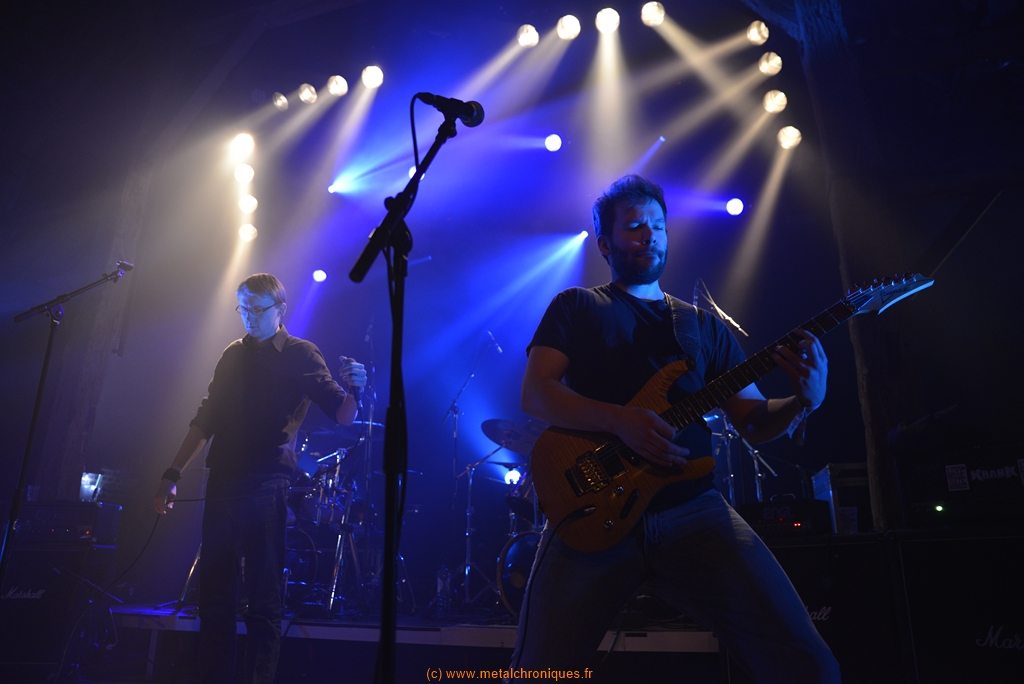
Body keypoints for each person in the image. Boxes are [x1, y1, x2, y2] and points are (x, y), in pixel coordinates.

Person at [510, 175, 840, 682]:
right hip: (591, 510)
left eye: (658, 226)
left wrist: (802, 401)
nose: (650, 235)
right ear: (605, 243)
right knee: (537, 675)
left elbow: (754, 421)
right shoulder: (577, 306)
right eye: (634, 226)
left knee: (809, 665)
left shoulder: (703, 327)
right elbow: (536, 393)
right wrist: (620, 421)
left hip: (694, 511)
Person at [154, 273, 367, 684]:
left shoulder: (302, 354)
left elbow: (342, 415)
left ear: (280, 310)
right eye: (243, 308)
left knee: (263, 600)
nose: (249, 316)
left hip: (268, 483)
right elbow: (205, 418)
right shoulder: (232, 354)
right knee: (215, 599)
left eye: (256, 309)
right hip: (222, 481)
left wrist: (355, 390)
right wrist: (172, 472)